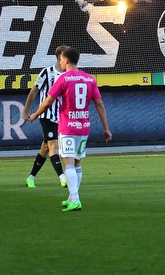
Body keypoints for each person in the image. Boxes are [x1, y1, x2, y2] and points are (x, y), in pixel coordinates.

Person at [27, 46, 113, 212]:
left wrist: (35, 115)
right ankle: (72, 197)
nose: (60, 62)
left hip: (67, 128)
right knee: (78, 162)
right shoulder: (90, 79)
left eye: (61, 59)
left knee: (68, 164)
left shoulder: (63, 79)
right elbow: (99, 104)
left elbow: (47, 102)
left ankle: (75, 199)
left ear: (66, 60)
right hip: (83, 128)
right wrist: (106, 128)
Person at [22, 45, 68, 189]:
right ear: (61, 56)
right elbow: (34, 92)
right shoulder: (47, 73)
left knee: (46, 148)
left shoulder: (69, 74)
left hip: (62, 117)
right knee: (53, 144)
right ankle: (63, 178)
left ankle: (31, 177)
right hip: (46, 115)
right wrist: (26, 110)